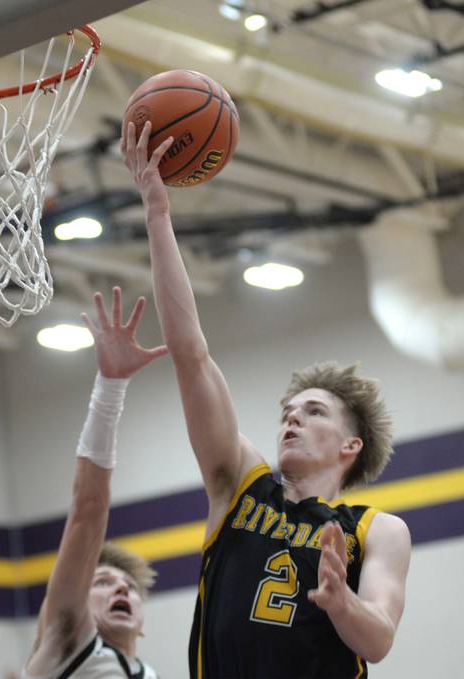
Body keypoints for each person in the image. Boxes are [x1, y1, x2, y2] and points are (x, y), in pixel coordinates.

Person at [121, 121, 412, 679]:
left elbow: (377, 640)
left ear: (352, 444)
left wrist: (339, 600)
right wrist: (158, 214)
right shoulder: (238, 484)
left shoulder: (377, 529)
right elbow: (192, 356)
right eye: (288, 412)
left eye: (314, 411)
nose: (292, 419)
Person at [23, 287, 167, 679]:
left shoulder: (149, 673)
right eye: (102, 582)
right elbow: (88, 510)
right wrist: (111, 387)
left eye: (130, 589)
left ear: (142, 621)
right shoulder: (69, 640)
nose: (122, 591)